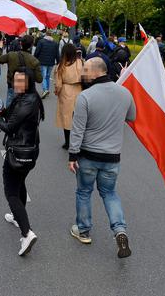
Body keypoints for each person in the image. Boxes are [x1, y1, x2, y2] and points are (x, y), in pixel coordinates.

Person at [68, 58, 136, 258]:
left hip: (88, 155)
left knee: (84, 192)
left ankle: (83, 231)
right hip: (112, 157)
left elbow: (77, 130)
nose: (83, 73)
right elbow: (132, 117)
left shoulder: (85, 96)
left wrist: (72, 155)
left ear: (97, 72)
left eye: (86, 70)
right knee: (109, 193)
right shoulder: (124, 93)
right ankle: (120, 230)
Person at [0, 68, 45, 256]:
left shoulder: (27, 101)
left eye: (21, 81)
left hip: (19, 151)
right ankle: (18, 217)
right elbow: (15, 117)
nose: (16, 84)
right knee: (20, 182)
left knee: (11, 192)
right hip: (30, 150)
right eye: (15, 80)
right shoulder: (28, 98)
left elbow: (10, 126)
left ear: (29, 82)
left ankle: (27, 233)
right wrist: (4, 111)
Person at [0, 35, 42, 108]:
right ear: (31, 46)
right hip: (26, 89)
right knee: (23, 109)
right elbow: (39, 79)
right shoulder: (34, 61)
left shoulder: (11, 55)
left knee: (9, 107)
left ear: (20, 44)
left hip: (12, 85)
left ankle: (8, 118)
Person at [56, 43, 83, 150]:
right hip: (79, 90)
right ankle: (79, 141)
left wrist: (57, 91)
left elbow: (58, 84)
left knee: (67, 118)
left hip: (66, 91)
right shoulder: (80, 62)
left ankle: (67, 142)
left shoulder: (61, 65)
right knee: (79, 117)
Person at [34, 30, 59, 99]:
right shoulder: (55, 43)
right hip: (51, 62)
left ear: (45, 35)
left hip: (42, 62)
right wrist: (58, 62)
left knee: (44, 76)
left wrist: (34, 59)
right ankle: (47, 89)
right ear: (51, 35)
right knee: (47, 76)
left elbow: (37, 52)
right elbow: (57, 54)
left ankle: (45, 90)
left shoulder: (41, 42)